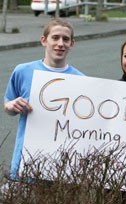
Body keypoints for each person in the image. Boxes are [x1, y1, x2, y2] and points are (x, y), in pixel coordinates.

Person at [3, 19, 84, 179]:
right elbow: (8, 105)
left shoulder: (81, 80)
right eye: (55, 37)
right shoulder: (22, 71)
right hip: (25, 160)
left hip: (62, 167)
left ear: (72, 44)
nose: (60, 43)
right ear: (44, 40)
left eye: (65, 39)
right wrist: (11, 106)